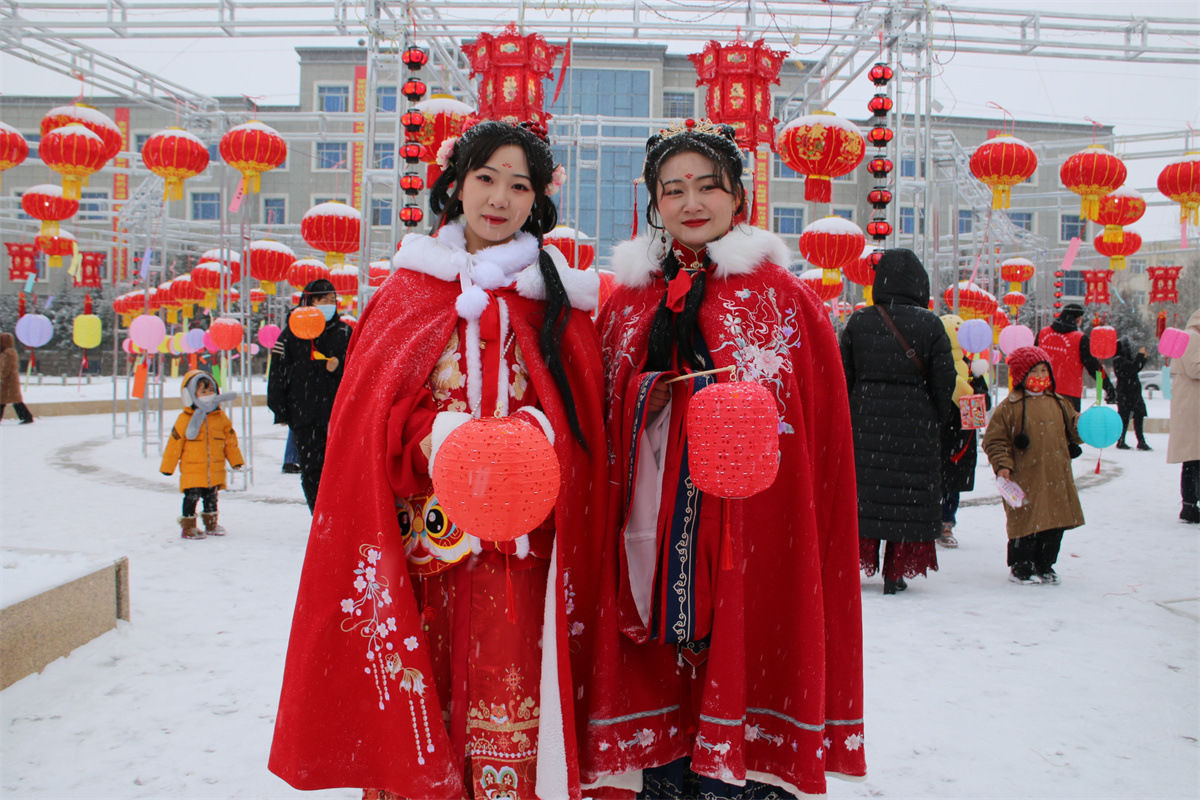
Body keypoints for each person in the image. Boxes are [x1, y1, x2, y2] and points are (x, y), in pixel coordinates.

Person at [269, 119, 608, 800]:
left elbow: (584, 419)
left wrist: (536, 434)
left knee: (516, 698)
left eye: (521, 185)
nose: (500, 198)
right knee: (425, 703)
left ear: (538, 201)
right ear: (456, 184)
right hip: (428, 548)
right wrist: (441, 436)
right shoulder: (408, 292)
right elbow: (366, 420)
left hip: (524, 554)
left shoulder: (555, 300)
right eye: (487, 178)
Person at [583, 119, 865, 798]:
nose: (692, 203)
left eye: (709, 186)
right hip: (647, 536)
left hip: (755, 533)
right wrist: (658, 399)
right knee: (659, 736)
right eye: (673, 190)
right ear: (653, 204)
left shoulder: (786, 300)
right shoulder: (624, 302)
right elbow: (597, 419)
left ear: (739, 197)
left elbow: (817, 438)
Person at [841, 249, 957, 594]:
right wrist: (934, 416)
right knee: (906, 498)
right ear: (920, 284)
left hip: (864, 420)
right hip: (915, 422)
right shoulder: (931, 323)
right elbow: (944, 381)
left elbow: (842, 377)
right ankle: (895, 572)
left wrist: (853, 413)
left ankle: (855, 561)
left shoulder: (859, 322)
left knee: (867, 495)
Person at [982, 346, 1085, 584]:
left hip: (1055, 474)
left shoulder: (1060, 403)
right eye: (1034, 371)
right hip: (1024, 476)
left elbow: (1074, 431)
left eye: (1043, 370)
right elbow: (995, 440)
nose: (1040, 376)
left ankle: (1045, 564)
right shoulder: (1010, 407)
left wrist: (1085, 424)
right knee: (1025, 523)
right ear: (1021, 376)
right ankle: (1021, 566)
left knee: (1054, 523)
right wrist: (1002, 464)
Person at [266, 278, 352, 512]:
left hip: (338, 415)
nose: (328, 304)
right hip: (304, 415)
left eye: (332, 300)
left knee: (339, 468)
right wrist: (280, 408)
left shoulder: (344, 331)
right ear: (309, 301)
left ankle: (338, 513)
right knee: (312, 469)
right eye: (322, 300)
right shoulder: (291, 334)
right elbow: (278, 372)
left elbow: (359, 369)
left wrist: (340, 364)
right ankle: (320, 515)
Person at [159, 370, 244, 538]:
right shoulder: (185, 419)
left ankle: (211, 523)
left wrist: (236, 461)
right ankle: (188, 526)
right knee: (192, 497)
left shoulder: (220, 418)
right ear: (190, 395)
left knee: (212, 497)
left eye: (210, 390)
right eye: (203, 391)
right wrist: (168, 467)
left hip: (214, 468)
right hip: (192, 471)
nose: (207, 395)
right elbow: (174, 444)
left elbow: (230, 442)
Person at [940, 353, 990, 548]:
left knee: (952, 483)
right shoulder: (936, 361)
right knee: (932, 482)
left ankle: (946, 523)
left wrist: (971, 392)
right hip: (937, 431)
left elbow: (985, 402)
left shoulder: (971, 369)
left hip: (962, 436)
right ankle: (929, 522)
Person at [1035, 303, 1113, 411]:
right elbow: (1094, 367)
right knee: (1067, 427)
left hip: (1041, 390)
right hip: (1069, 395)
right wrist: (1109, 388)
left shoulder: (1042, 333)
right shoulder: (1080, 339)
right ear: (1078, 319)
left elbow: (1032, 361)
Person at [1167, 309, 1200, 524]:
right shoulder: (1193, 337)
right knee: (1194, 458)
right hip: (1193, 406)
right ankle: (1189, 505)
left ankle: (1189, 504)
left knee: (1192, 459)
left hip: (1190, 405)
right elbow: (1195, 369)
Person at [1112, 336, 1151, 450]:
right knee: (1124, 418)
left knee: (1138, 416)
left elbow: (1136, 367)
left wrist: (1142, 358)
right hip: (1126, 393)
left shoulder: (1123, 359)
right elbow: (1133, 368)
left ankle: (1140, 441)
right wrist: (1140, 356)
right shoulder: (1119, 360)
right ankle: (1121, 440)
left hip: (1132, 392)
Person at [0, 332, 34, 424]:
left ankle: (27, 417)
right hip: (10, 381)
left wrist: (1, 376)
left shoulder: (7, 353)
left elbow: (5, 367)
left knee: (8, 401)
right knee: (12, 400)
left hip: (7, 382)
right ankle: (26, 417)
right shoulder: (10, 352)